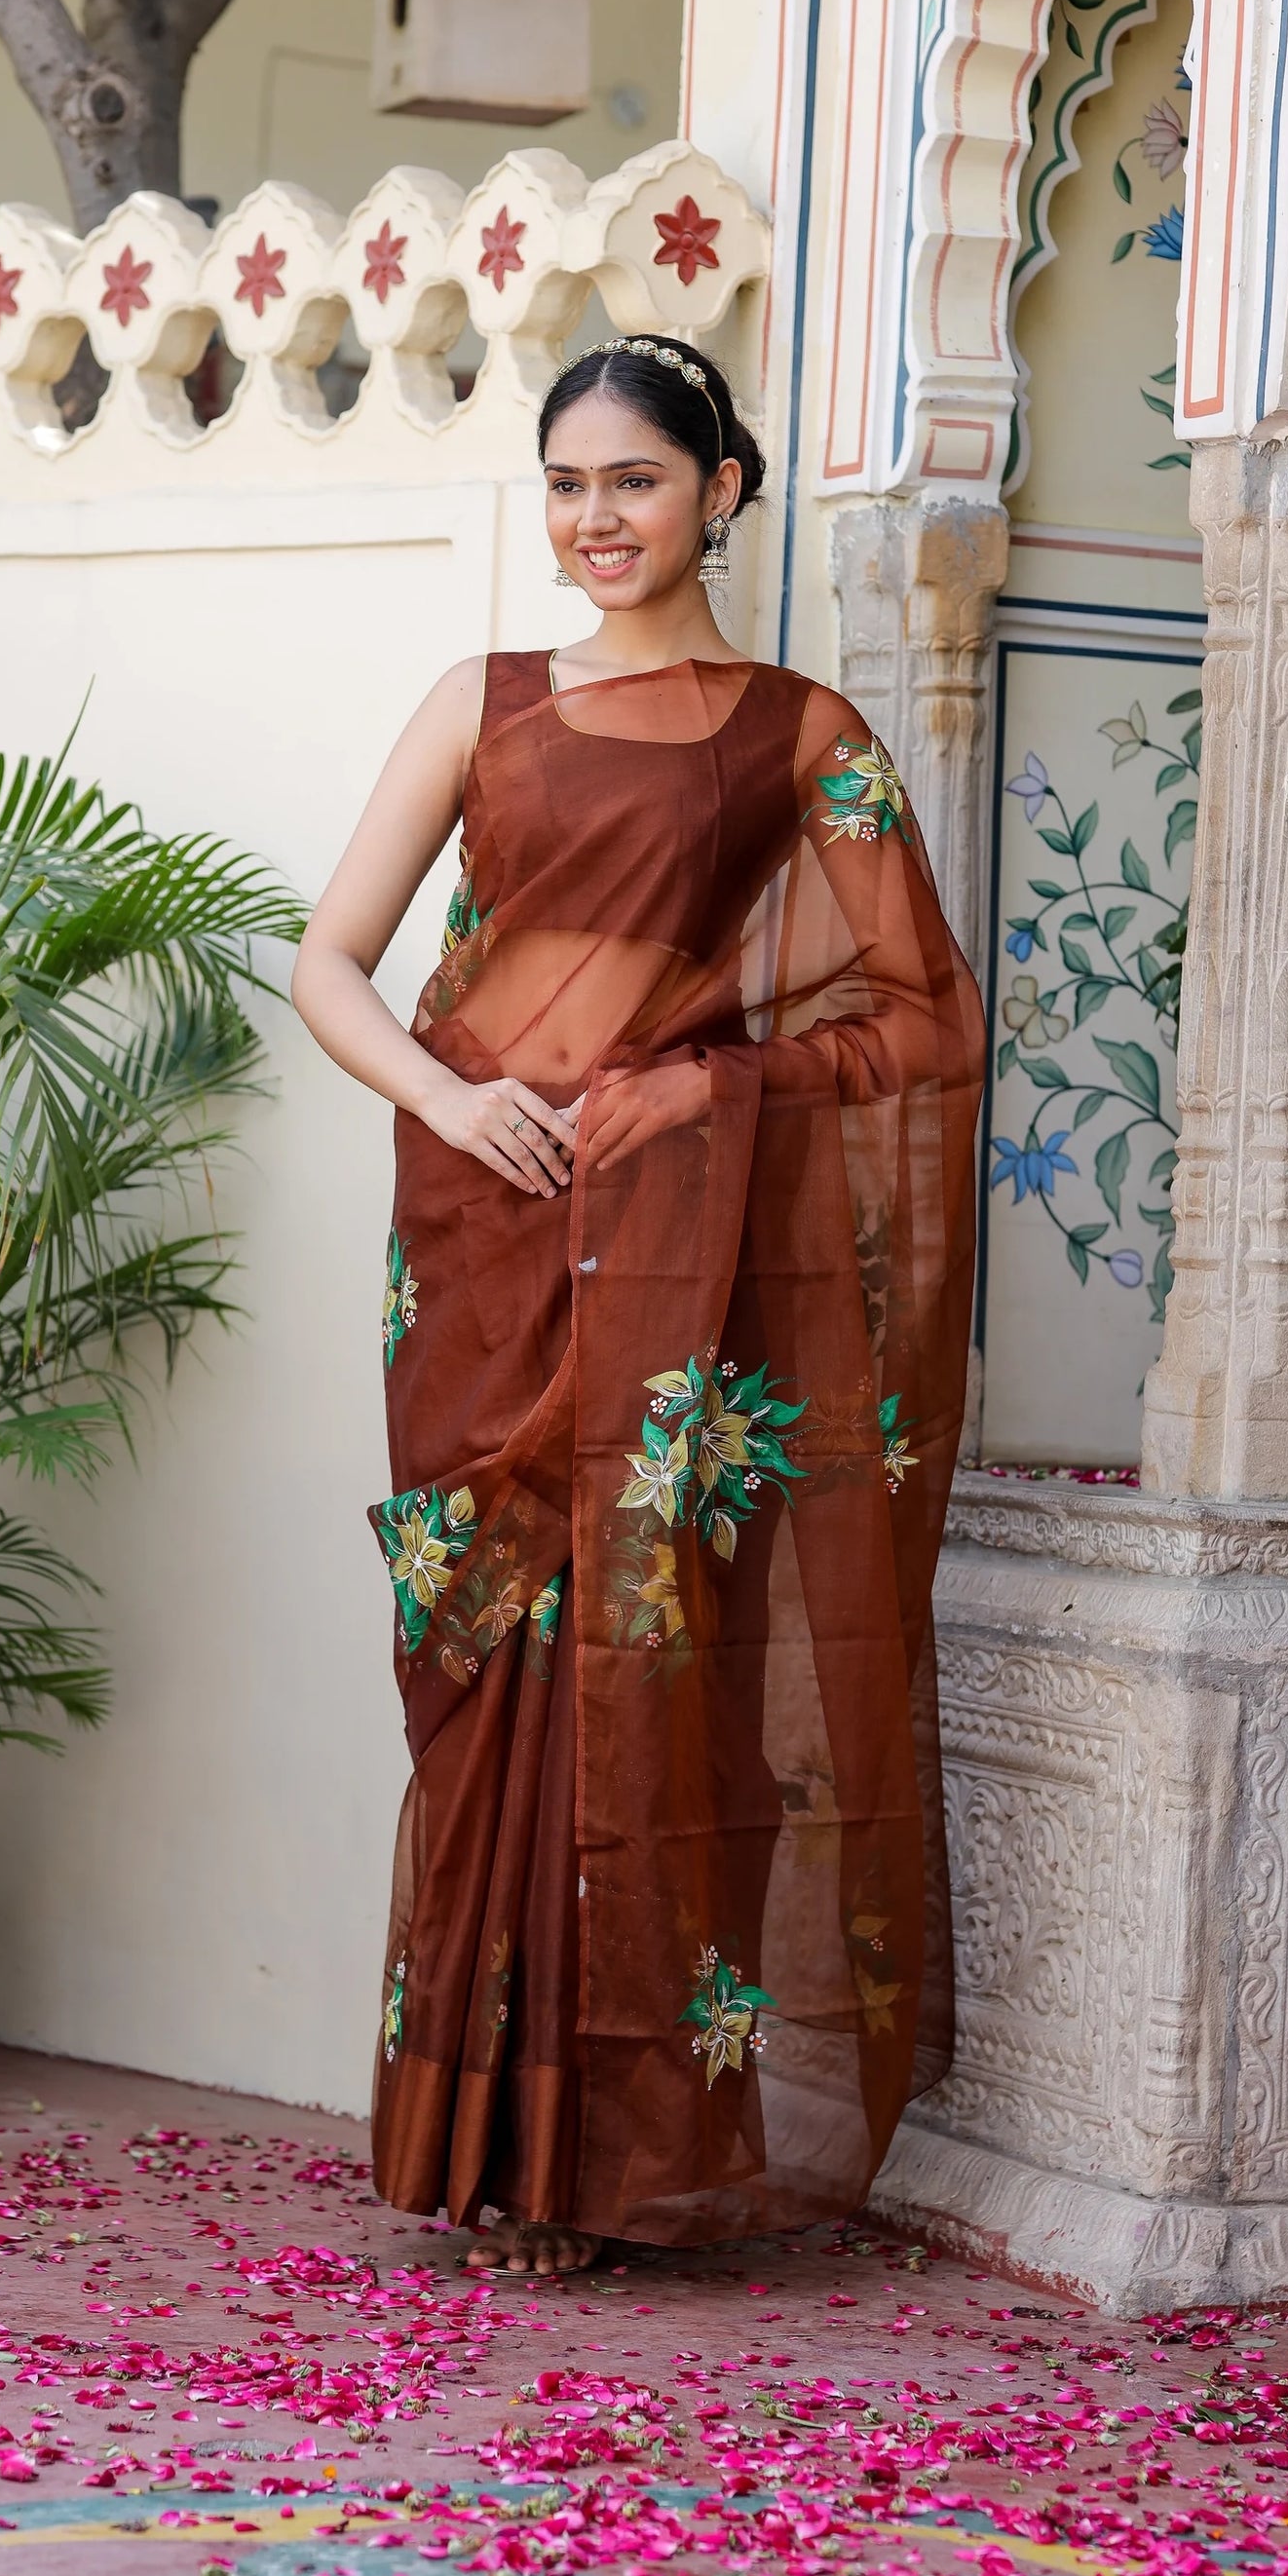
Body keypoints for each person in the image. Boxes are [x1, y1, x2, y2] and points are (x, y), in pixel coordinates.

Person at [292, 334, 984, 2275]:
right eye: (569, 484)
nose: (598, 520)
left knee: (648, 1673)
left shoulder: (798, 731)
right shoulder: (481, 703)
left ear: (723, 488)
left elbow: (923, 1016)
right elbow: (331, 961)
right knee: (493, 1673)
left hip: (676, 1266)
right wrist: (452, 1095)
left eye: (637, 482)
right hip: (484, 1247)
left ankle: (603, 2162)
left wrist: (699, 1090)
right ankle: (480, 2142)